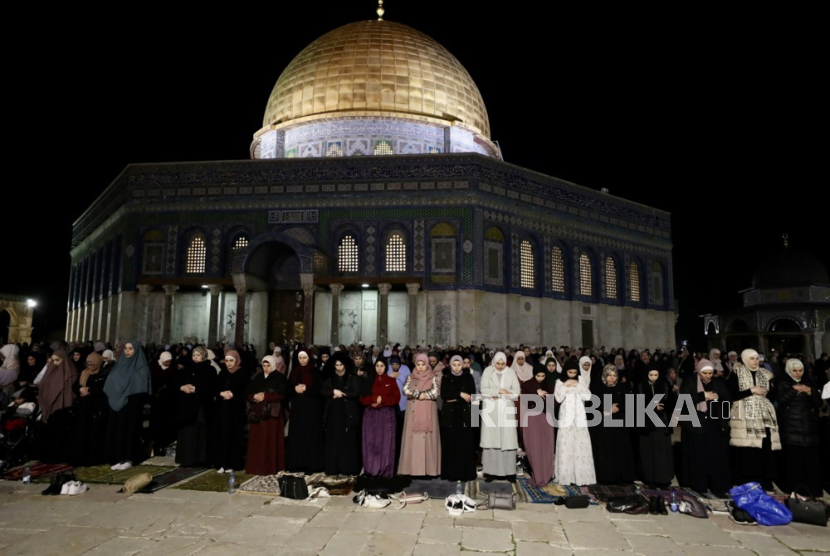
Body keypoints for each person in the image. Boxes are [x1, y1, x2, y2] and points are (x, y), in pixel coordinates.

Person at [726, 348, 780, 492]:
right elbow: (731, 394)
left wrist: (766, 393)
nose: (755, 361)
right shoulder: (737, 373)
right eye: (752, 358)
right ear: (744, 359)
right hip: (744, 415)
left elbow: (774, 395)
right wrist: (751, 391)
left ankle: (764, 480)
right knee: (748, 449)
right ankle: (747, 480)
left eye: (757, 358)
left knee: (765, 447)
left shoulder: (765, 374)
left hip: (764, 416)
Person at [677, 358, 731, 497]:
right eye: (705, 373)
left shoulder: (718, 382)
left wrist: (717, 397)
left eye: (710, 373)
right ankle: (699, 485)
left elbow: (727, 398)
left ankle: (717, 485)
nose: (707, 376)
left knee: (716, 456)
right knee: (699, 455)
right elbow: (683, 399)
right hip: (697, 423)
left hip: (715, 423)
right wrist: (702, 396)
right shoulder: (690, 381)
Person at [775, 358, 823, 496]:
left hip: (809, 426)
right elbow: (781, 401)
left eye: (800, 371)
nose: (798, 374)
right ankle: (794, 489)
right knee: (794, 461)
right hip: (791, 425)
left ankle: (812, 490)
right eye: (795, 371)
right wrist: (794, 390)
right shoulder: (783, 382)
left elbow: (818, 403)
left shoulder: (808, 381)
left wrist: (810, 392)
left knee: (810, 461)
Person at [103, 340, 151, 470]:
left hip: (132, 404)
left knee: (129, 430)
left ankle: (129, 458)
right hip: (116, 404)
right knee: (117, 429)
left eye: (131, 349)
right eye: (126, 348)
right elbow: (110, 382)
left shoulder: (141, 367)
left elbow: (142, 387)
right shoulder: (119, 365)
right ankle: (118, 457)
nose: (127, 351)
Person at [590, 365, 636, 485]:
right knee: (605, 450)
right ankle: (605, 477)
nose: (612, 378)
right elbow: (593, 403)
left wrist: (618, 407)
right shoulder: (597, 387)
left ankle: (620, 477)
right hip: (603, 425)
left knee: (619, 449)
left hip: (619, 425)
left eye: (614, 375)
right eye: (609, 375)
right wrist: (607, 408)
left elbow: (629, 402)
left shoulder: (622, 387)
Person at [398, 353, 441, 477]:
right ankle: (412, 470)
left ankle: (428, 470)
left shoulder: (433, 376)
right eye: (418, 364)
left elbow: (435, 392)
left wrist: (418, 394)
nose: (421, 367)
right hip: (413, 413)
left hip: (428, 414)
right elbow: (405, 390)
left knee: (427, 440)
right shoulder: (410, 377)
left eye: (423, 364)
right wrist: (420, 394)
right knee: (413, 440)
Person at [554, 359, 596, 486]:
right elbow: (558, 397)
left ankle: (582, 477)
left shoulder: (580, 380)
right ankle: (566, 476)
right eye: (570, 372)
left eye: (574, 372)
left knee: (580, 443)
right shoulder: (559, 381)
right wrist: (566, 384)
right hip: (566, 413)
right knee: (566, 443)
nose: (572, 375)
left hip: (579, 414)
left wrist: (577, 384)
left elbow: (588, 396)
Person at [320, 352, 363, 476]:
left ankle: (348, 467)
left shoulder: (351, 377)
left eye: (340, 365)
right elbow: (323, 390)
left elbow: (356, 392)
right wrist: (332, 392)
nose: (338, 367)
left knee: (347, 440)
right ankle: (332, 467)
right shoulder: (330, 377)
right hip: (333, 413)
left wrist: (343, 394)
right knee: (334, 440)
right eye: (336, 365)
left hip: (347, 412)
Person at [479, 351, 520, 482]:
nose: (500, 366)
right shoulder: (487, 371)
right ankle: (490, 472)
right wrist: (499, 391)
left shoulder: (511, 372)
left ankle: (510, 472)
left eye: (502, 363)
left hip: (506, 408)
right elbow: (483, 390)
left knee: (507, 440)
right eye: (498, 363)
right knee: (491, 441)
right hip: (491, 410)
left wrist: (500, 396)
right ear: (494, 362)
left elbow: (516, 392)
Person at [245, 355, 288, 475]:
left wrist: (265, 396)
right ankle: (256, 468)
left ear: (273, 365)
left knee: (271, 441)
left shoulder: (280, 377)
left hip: (272, 415)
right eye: (264, 365)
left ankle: (271, 468)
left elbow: (282, 395)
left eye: (268, 365)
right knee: (258, 442)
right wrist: (254, 396)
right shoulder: (258, 377)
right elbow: (248, 392)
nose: (266, 368)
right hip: (258, 414)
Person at [174, 346, 216, 468]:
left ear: (204, 356)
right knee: (187, 432)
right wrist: (183, 387)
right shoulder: (187, 369)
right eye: (194, 355)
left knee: (200, 432)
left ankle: (201, 459)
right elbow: (177, 383)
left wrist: (197, 389)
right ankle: (186, 459)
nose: (195, 357)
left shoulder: (209, 370)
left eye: (198, 355)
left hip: (201, 406)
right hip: (187, 406)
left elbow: (211, 387)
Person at [359, 357, 401, 478]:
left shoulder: (391, 381)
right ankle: (371, 469)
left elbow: (396, 398)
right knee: (371, 443)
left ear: (386, 367)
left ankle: (385, 469)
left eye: (382, 366)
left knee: (386, 442)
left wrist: (383, 400)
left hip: (386, 415)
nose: (379, 368)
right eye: (377, 366)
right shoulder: (369, 380)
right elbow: (362, 398)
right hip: (371, 415)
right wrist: (373, 399)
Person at [36, 349, 79, 463]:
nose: (55, 363)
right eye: (53, 360)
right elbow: (43, 387)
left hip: (63, 408)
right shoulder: (50, 372)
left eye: (58, 360)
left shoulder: (70, 373)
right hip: (49, 407)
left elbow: (71, 393)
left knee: (60, 433)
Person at [286, 350, 324, 474]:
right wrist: (295, 389)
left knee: (310, 436)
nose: (302, 360)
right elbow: (288, 387)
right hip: (298, 410)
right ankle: (296, 463)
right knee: (297, 436)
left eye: (304, 357)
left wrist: (306, 389)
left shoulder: (315, 371)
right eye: (300, 358)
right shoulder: (295, 371)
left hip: (312, 409)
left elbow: (319, 389)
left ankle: (310, 464)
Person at [440, 355, 477, 482]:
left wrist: (455, 397)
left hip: (464, 415)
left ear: (463, 365)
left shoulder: (468, 377)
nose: (456, 368)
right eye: (454, 365)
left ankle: (465, 473)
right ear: (450, 365)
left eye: (459, 365)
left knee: (464, 444)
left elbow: (472, 394)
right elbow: (444, 395)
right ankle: (451, 473)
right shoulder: (446, 377)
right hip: (450, 416)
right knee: (451, 445)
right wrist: (460, 394)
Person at [211, 349, 249, 473]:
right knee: (222, 435)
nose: (229, 363)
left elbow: (246, 391)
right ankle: (222, 464)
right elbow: (216, 388)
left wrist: (233, 394)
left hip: (236, 409)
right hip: (222, 408)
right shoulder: (222, 373)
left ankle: (233, 464)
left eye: (231, 361)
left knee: (234, 436)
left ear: (236, 360)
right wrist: (222, 393)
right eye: (227, 361)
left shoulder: (242, 373)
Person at [70, 352, 110, 466]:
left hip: (95, 408)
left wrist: (90, 390)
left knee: (93, 434)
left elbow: (104, 389)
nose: (90, 366)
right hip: (82, 407)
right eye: (88, 364)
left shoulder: (103, 374)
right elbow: (74, 386)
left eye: (92, 364)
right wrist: (81, 389)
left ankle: (92, 459)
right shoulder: (84, 373)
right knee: (80, 433)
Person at [637, 366, 673, 489]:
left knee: (661, 450)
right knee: (649, 450)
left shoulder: (664, 385)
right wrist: (652, 406)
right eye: (651, 375)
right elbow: (637, 403)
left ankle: (663, 479)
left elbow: (671, 401)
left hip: (661, 421)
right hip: (647, 423)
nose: (653, 378)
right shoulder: (641, 385)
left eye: (655, 375)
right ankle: (650, 479)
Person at [520, 367, 556, 486]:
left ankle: (545, 475)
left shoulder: (549, 385)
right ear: (534, 375)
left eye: (542, 376)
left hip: (546, 417)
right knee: (534, 447)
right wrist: (536, 393)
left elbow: (553, 403)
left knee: (546, 447)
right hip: (532, 418)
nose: (540, 378)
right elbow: (525, 401)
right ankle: (537, 474)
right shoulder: (528, 385)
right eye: (538, 376)